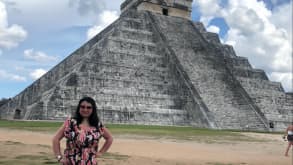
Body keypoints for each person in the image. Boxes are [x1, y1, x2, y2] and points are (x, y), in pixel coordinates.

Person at [52, 96, 113, 164]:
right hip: (71, 162)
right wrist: (59, 157)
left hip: (90, 162)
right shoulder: (70, 123)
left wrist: (101, 152)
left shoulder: (98, 125)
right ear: (79, 108)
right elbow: (56, 139)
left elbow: (109, 138)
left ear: (93, 109)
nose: (85, 110)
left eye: (89, 107)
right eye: (82, 107)